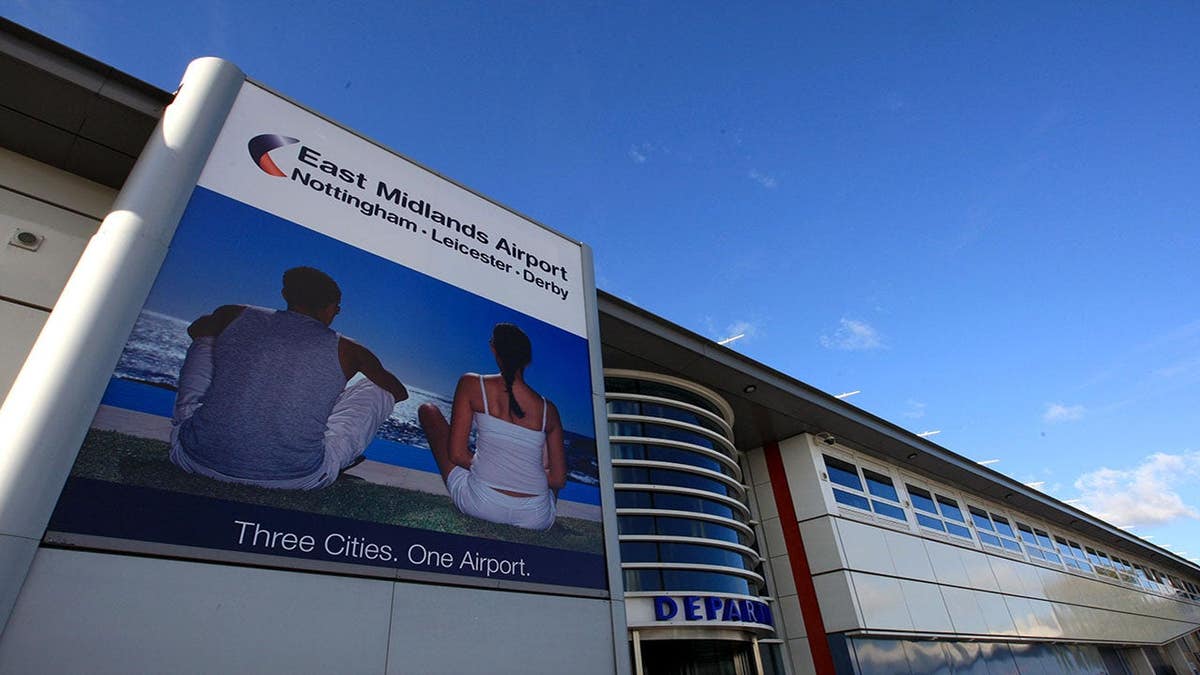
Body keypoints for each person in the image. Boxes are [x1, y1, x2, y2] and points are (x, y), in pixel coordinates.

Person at [169, 266, 408, 489]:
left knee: (206, 340)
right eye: (337, 309)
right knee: (378, 388)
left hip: (194, 457)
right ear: (330, 307)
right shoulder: (350, 350)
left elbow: (195, 330)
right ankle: (334, 457)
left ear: (285, 294)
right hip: (298, 477)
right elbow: (398, 392)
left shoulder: (233, 314)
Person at [418, 323, 566, 530]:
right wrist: (518, 475)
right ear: (527, 359)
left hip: (482, 504)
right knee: (542, 447)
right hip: (536, 518)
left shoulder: (471, 384)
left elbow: (457, 455)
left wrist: (495, 470)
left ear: (493, 349)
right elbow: (558, 480)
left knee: (428, 410)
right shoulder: (548, 410)